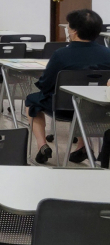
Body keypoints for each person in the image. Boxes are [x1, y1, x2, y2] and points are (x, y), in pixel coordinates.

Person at [25, 9, 110, 164]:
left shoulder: (61, 54)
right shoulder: (108, 53)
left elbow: (46, 84)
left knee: (32, 100)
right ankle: (81, 147)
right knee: (82, 103)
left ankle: (42, 145)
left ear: (75, 31)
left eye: (69, 27)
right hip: (97, 108)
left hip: (62, 107)